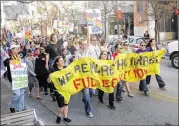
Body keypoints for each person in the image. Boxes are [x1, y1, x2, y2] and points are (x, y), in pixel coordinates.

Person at [3, 43, 26, 113]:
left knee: (22, 93)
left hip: (21, 78)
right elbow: (5, 63)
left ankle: (20, 109)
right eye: (16, 49)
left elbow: (23, 64)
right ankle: (12, 105)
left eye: (18, 48)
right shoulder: (8, 58)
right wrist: (16, 61)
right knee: (17, 94)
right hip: (14, 79)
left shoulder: (20, 56)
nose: (17, 50)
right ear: (12, 50)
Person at [75, 39, 94, 118]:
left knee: (92, 92)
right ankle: (89, 111)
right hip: (82, 77)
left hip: (90, 76)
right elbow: (75, 62)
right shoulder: (77, 53)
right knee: (86, 94)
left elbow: (93, 61)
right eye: (82, 44)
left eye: (85, 44)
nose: (84, 46)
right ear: (80, 45)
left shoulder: (90, 51)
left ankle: (85, 99)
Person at [50, 56, 71, 124]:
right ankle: (59, 116)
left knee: (66, 104)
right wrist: (50, 77)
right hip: (58, 91)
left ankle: (65, 117)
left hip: (66, 90)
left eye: (63, 61)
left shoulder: (66, 68)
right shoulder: (54, 70)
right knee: (61, 105)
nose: (62, 62)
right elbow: (48, 81)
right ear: (57, 62)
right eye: (61, 61)